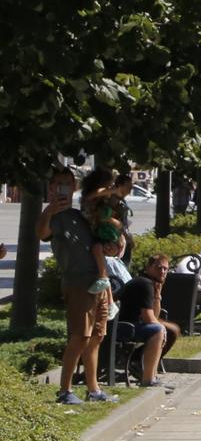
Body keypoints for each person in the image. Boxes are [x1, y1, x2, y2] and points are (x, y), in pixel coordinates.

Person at [39, 167, 117, 405]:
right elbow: (42, 234)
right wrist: (49, 211)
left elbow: (99, 245)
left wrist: (110, 247)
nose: (64, 188)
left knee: (96, 337)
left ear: (75, 188)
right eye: (59, 184)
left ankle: (93, 389)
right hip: (78, 284)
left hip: (98, 284)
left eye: (68, 184)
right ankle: (65, 390)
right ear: (51, 188)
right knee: (79, 337)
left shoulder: (80, 214)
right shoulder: (55, 216)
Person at [116, 252, 182, 388]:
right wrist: (161, 328)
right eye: (159, 268)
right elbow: (148, 317)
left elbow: (154, 315)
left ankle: (140, 363)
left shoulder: (152, 284)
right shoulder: (144, 284)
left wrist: (157, 296)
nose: (162, 271)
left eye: (165, 269)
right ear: (148, 268)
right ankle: (148, 378)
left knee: (172, 329)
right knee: (159, 330)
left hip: (136, 322)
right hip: (126, 326)